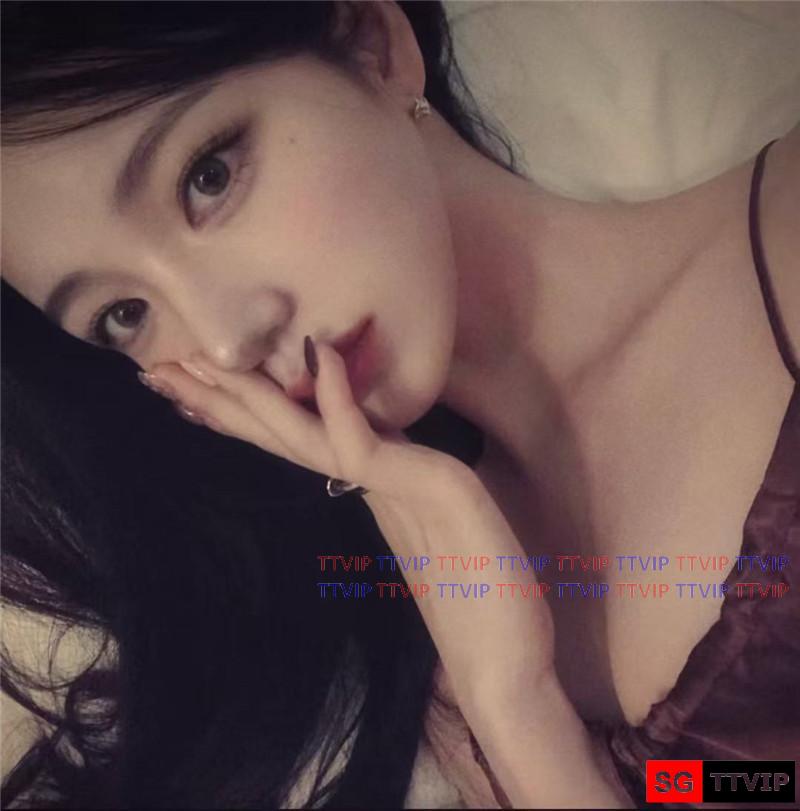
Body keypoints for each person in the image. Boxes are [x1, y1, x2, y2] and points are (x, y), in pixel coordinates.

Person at [2, 1, 798, 808]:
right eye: (123, 314)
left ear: (371, 43)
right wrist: (520, 717)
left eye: (208, 176)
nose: (226, 342)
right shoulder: (451, 651)